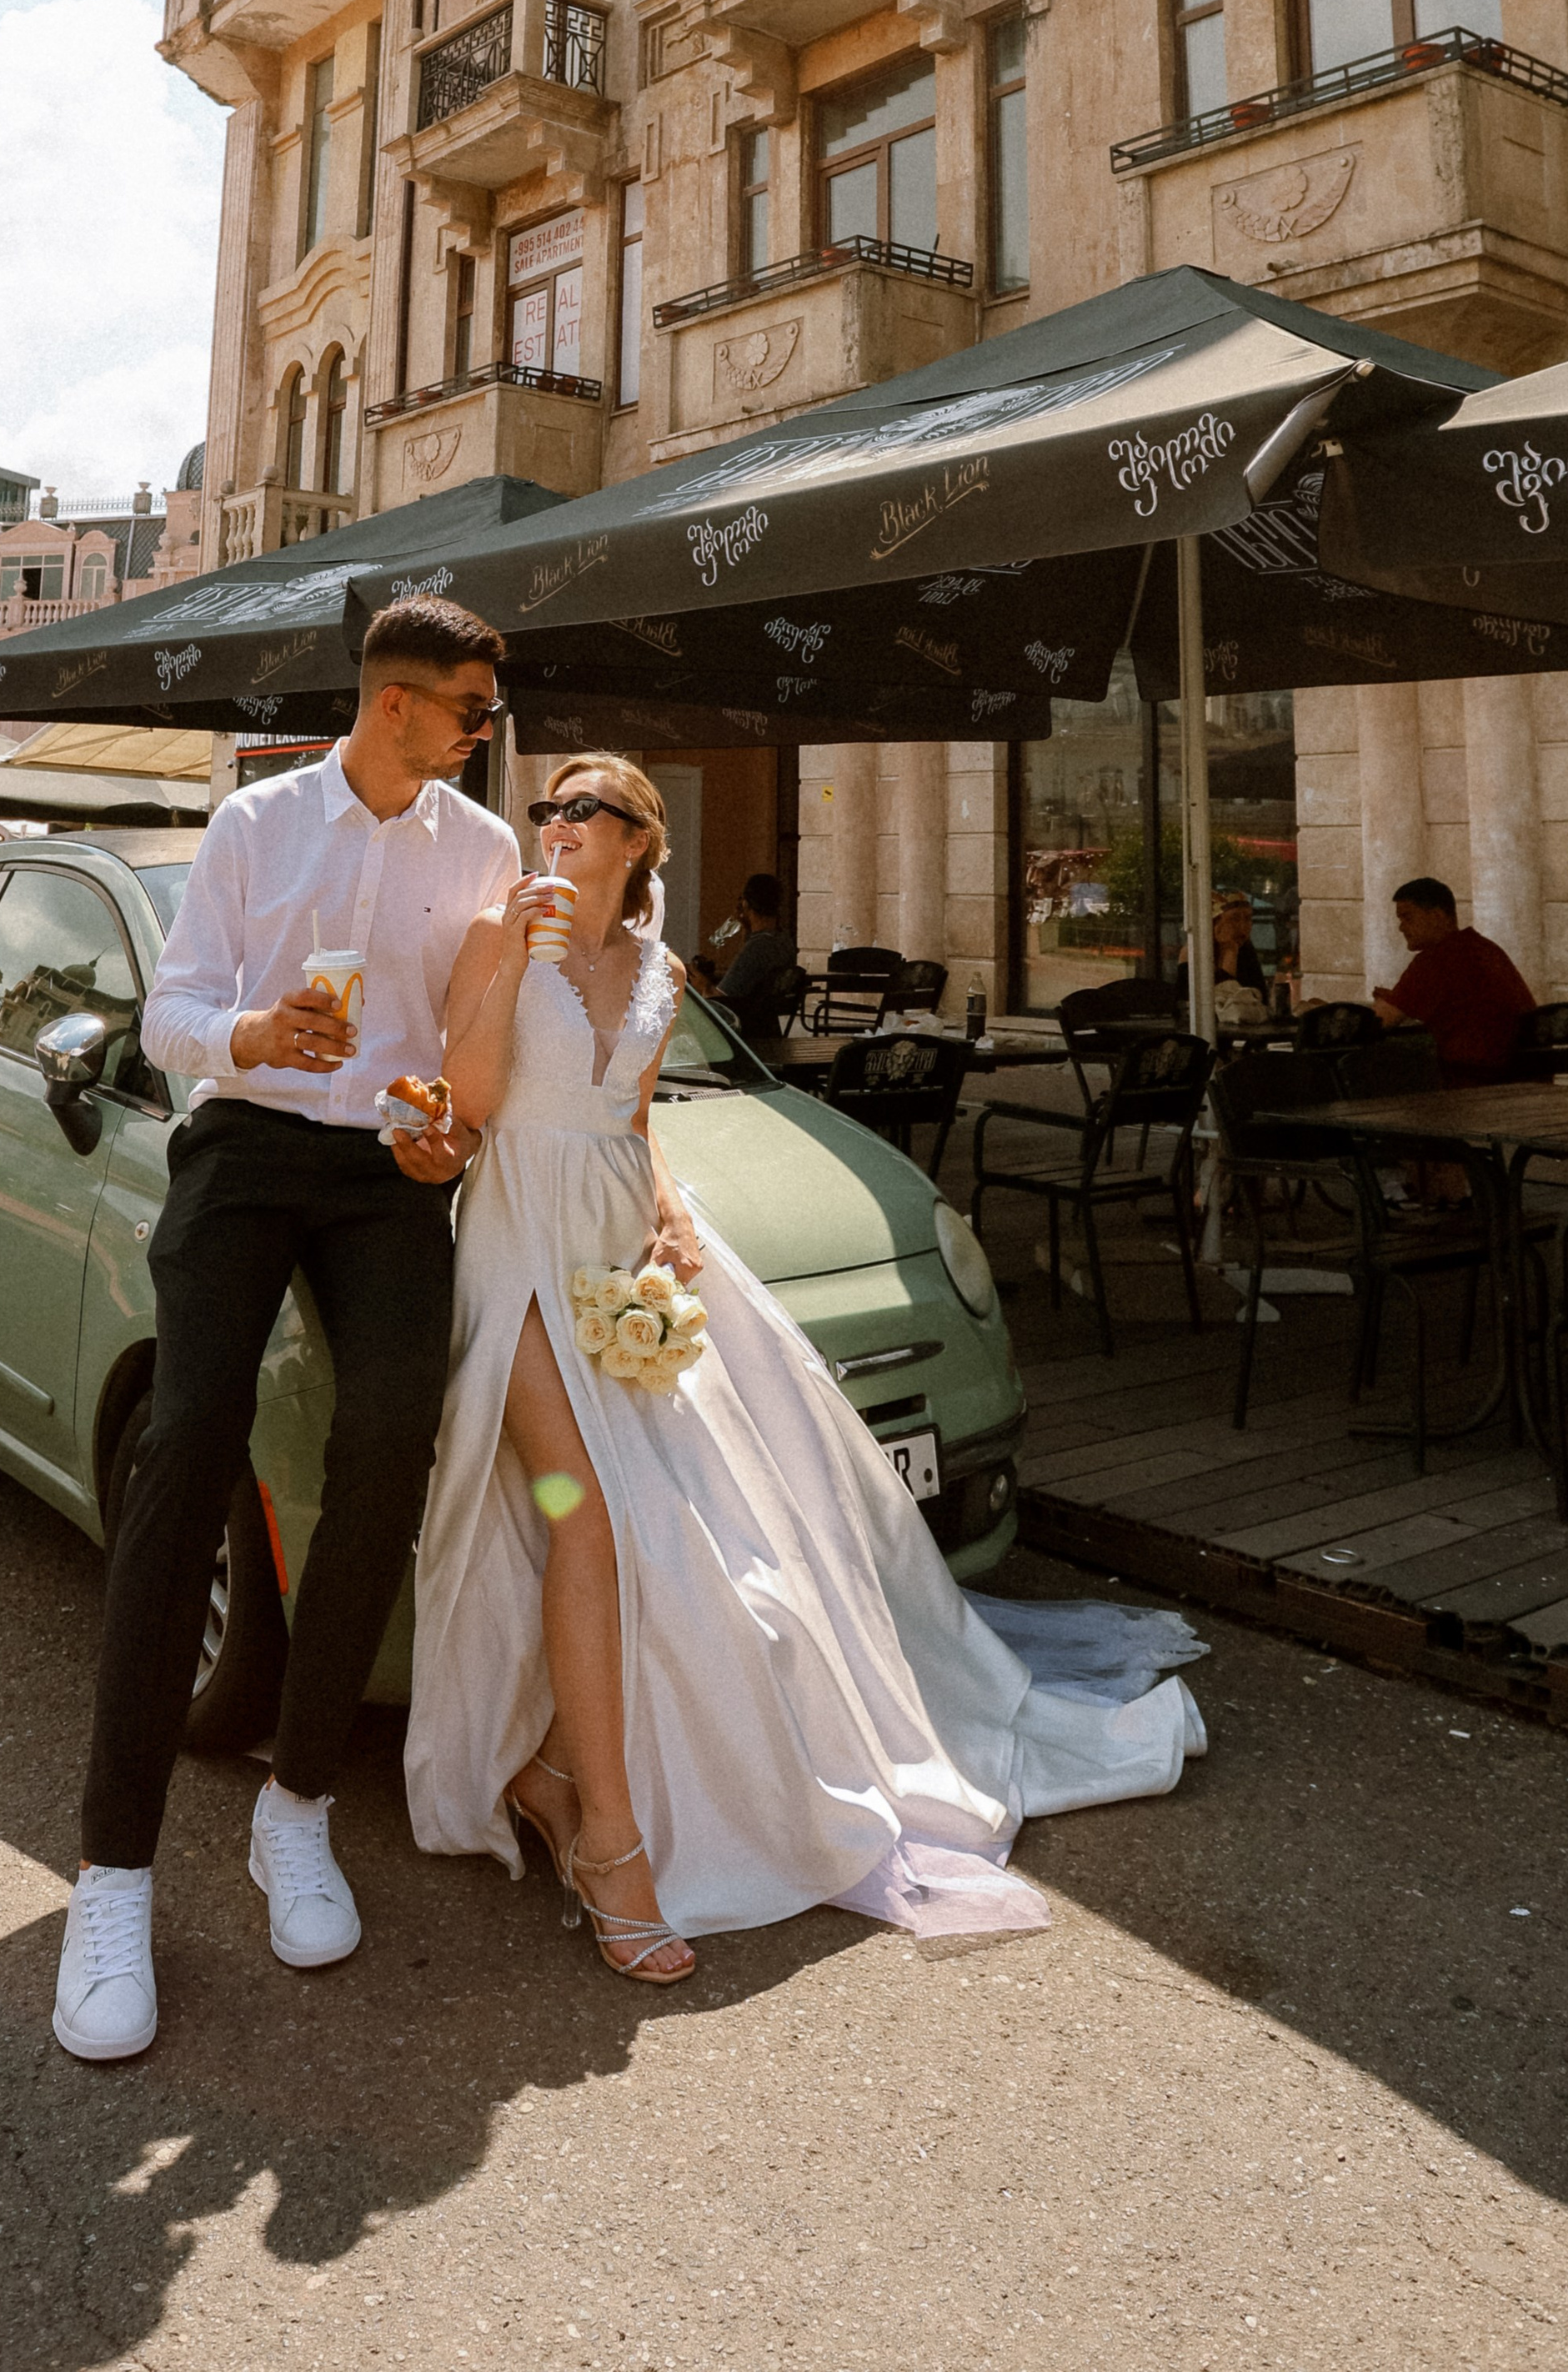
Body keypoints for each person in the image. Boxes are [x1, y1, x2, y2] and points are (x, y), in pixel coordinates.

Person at [405, 751, 1205, 1981]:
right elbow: (471, 1100)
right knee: (594, 1520)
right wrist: (512, 948)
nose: (553, 826)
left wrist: (669, 1215)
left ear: (638, 842)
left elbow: (632, 1121)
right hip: (515, 1241)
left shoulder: (666, 973)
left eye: (581, 811)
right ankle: (611, 1847)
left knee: (717, 1540)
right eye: (545, 810)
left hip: (622, 1247)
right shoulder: (495, 929)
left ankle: (558, 1775)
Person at [53, 596, 519, 2064]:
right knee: (189, 1438)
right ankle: (112, 1875)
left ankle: (297, 1806)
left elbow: (463, 1050)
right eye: (470, 710)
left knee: (396, 1430)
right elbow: (167, 1020)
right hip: (248, 1147)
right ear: (395, 706)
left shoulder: (486, 851)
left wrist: (453, 1128)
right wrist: (254, 1036)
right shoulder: (256, 826)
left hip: (385, 1173)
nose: (481, 732)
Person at [1373, 875, 1535, 1084]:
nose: (1401, 928)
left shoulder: (1436, 960)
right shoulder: (1485, 948)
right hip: (1526, 1076)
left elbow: (1380, 1022)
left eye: (1408, 917)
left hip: (1476, 1082)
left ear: (1438, 916)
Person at [690, 871, 795, 1047]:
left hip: (743, 1031)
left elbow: (720, 1001)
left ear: (746, 903)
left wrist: (702, 985)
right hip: (765, 1025)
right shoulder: (784, 942)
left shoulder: (757, 948)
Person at [1175, 888, 1265, 1000]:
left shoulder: (1245, 950)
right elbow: (1213, 1003)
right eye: (1234, 919)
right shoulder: (1193, 952)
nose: (1243, 927)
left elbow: (1259, 998)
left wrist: (1231, 949)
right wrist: (1230, 953)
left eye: (1248, 919)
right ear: (1213, 923)